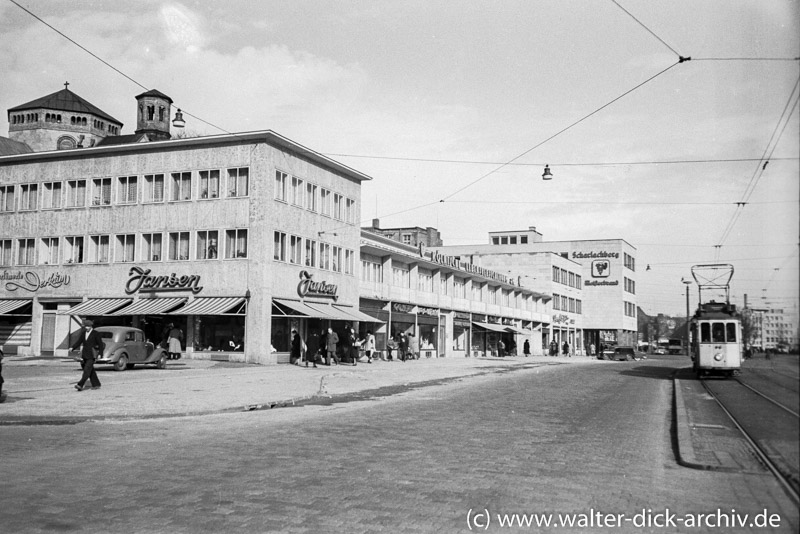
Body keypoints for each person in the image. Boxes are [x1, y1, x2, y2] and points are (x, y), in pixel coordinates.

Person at [70, 319, 104, 391]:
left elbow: (100, 344)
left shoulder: (96, 333)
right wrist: (72, 347)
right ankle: (96, 384)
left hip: (92, 355)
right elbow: (79, 342)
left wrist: (100, 354)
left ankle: (80, 384)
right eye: (85, 326)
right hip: (84, 354)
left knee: (87, 370)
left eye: (88, 326)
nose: (86, 328)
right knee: (90, 370)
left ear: (91, 326)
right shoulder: (83, 333)